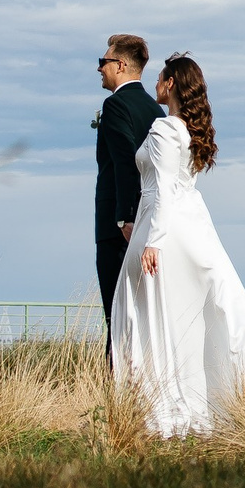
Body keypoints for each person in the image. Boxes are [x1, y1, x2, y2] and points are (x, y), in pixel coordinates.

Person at [108, 53, 245, 436]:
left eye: (162, 78)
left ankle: (167, 412)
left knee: (152, 317)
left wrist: (153, 242)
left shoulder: (165, 130)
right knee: (191, 317)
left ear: (172, 84)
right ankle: (204, 407)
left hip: (164, 230)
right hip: (193, 226)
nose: (157, 84)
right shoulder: (190, 131)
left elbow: (162, 190)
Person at [93, 34, 162, 341]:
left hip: (120, 227)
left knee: (117, 314)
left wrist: (125, 217)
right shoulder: (155, 111)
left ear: (120, 65)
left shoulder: (116, 105)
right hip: (151, 221)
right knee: (143, 315)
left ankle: (118, 384)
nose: (99, 69)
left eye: (103, 62)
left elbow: (124, 161)